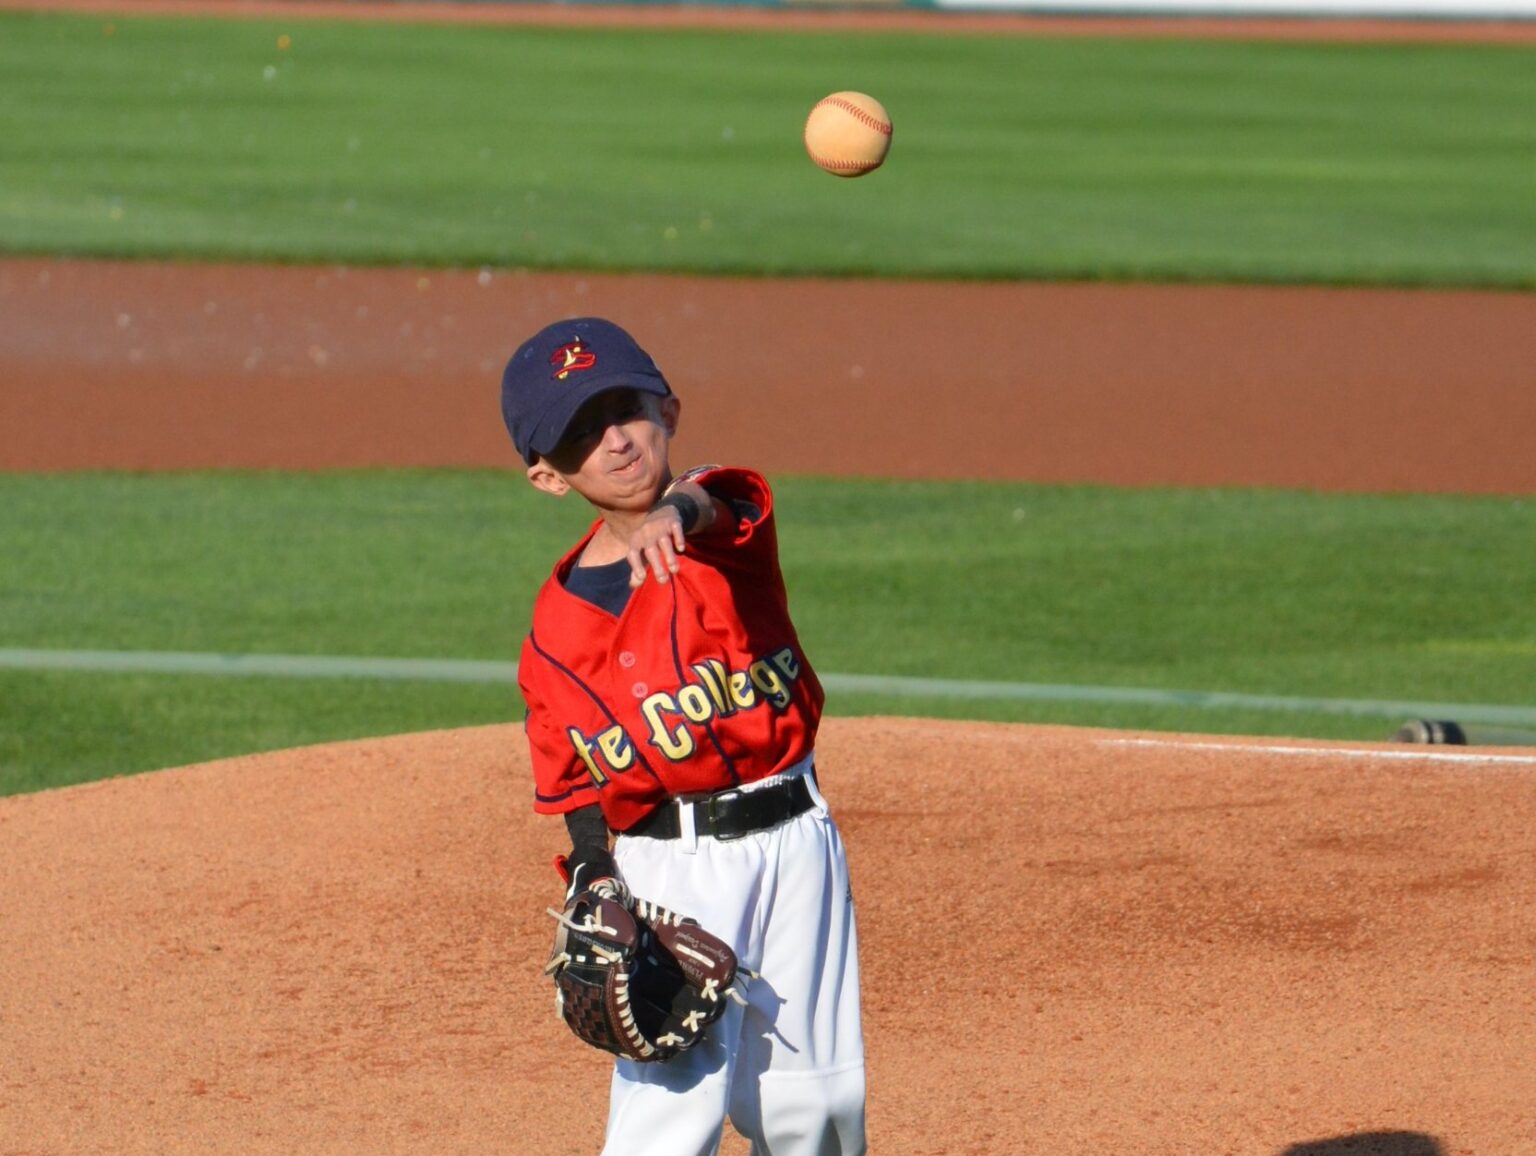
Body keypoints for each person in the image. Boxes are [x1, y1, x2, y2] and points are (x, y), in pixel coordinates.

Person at [501, 317, 866, 1156]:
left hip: (800, 844)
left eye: (625, 410)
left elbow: (727, 498)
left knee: (816, 1109)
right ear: (549, 476)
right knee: (671, 1118)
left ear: (668, 408)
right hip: (675, 872)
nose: (616, 442)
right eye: (581, 436)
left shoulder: (724, 531)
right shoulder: (555, 633)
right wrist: (595, 873)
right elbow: (572, 778)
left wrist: (677, 511)